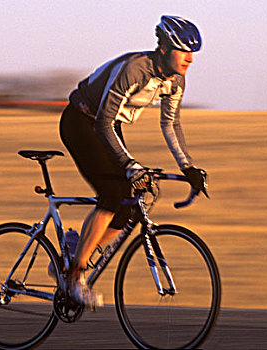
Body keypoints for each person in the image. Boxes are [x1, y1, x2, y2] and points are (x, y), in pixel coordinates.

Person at [59, 15, 207, 308]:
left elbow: (171, 124)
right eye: (183, 50)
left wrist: (187, 167)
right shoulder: (135, 69)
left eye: (193, 52)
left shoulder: (176, 80)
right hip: (81, 122)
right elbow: (103, 123)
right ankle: (73, 277)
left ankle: (76, 253)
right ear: (164, 48)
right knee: (112, 194)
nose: (190, 58)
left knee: (128, 207)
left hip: (108, 125)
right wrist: (130, 166)